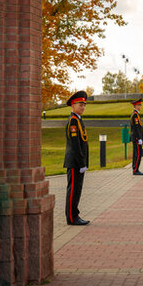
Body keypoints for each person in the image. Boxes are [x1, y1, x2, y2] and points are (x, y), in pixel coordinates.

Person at [64, 91, 89, 225]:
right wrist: (81, 163)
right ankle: (72, 218)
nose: (83, 107)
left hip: (79, 162)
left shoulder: (78, 120)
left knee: (77, 190)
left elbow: (83, 142)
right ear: (73, 106)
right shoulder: (73, 121)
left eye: (84, 105)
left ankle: (75, 215)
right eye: (80, 105)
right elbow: (75, 145)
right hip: (74, 162)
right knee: (73, 190)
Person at [130, 98, 143, 175]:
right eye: (139, 105)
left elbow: (140, 128)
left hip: (137, 138)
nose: (140, 106)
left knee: (137, 153)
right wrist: (139, 138)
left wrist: (142, 138)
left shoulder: (137, 114)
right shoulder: (135, 115)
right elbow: (136, 128)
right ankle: (135, 169)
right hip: (136, 138)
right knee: (138, 153)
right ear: (135, 106)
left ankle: (135, 169)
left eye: (140, 105)